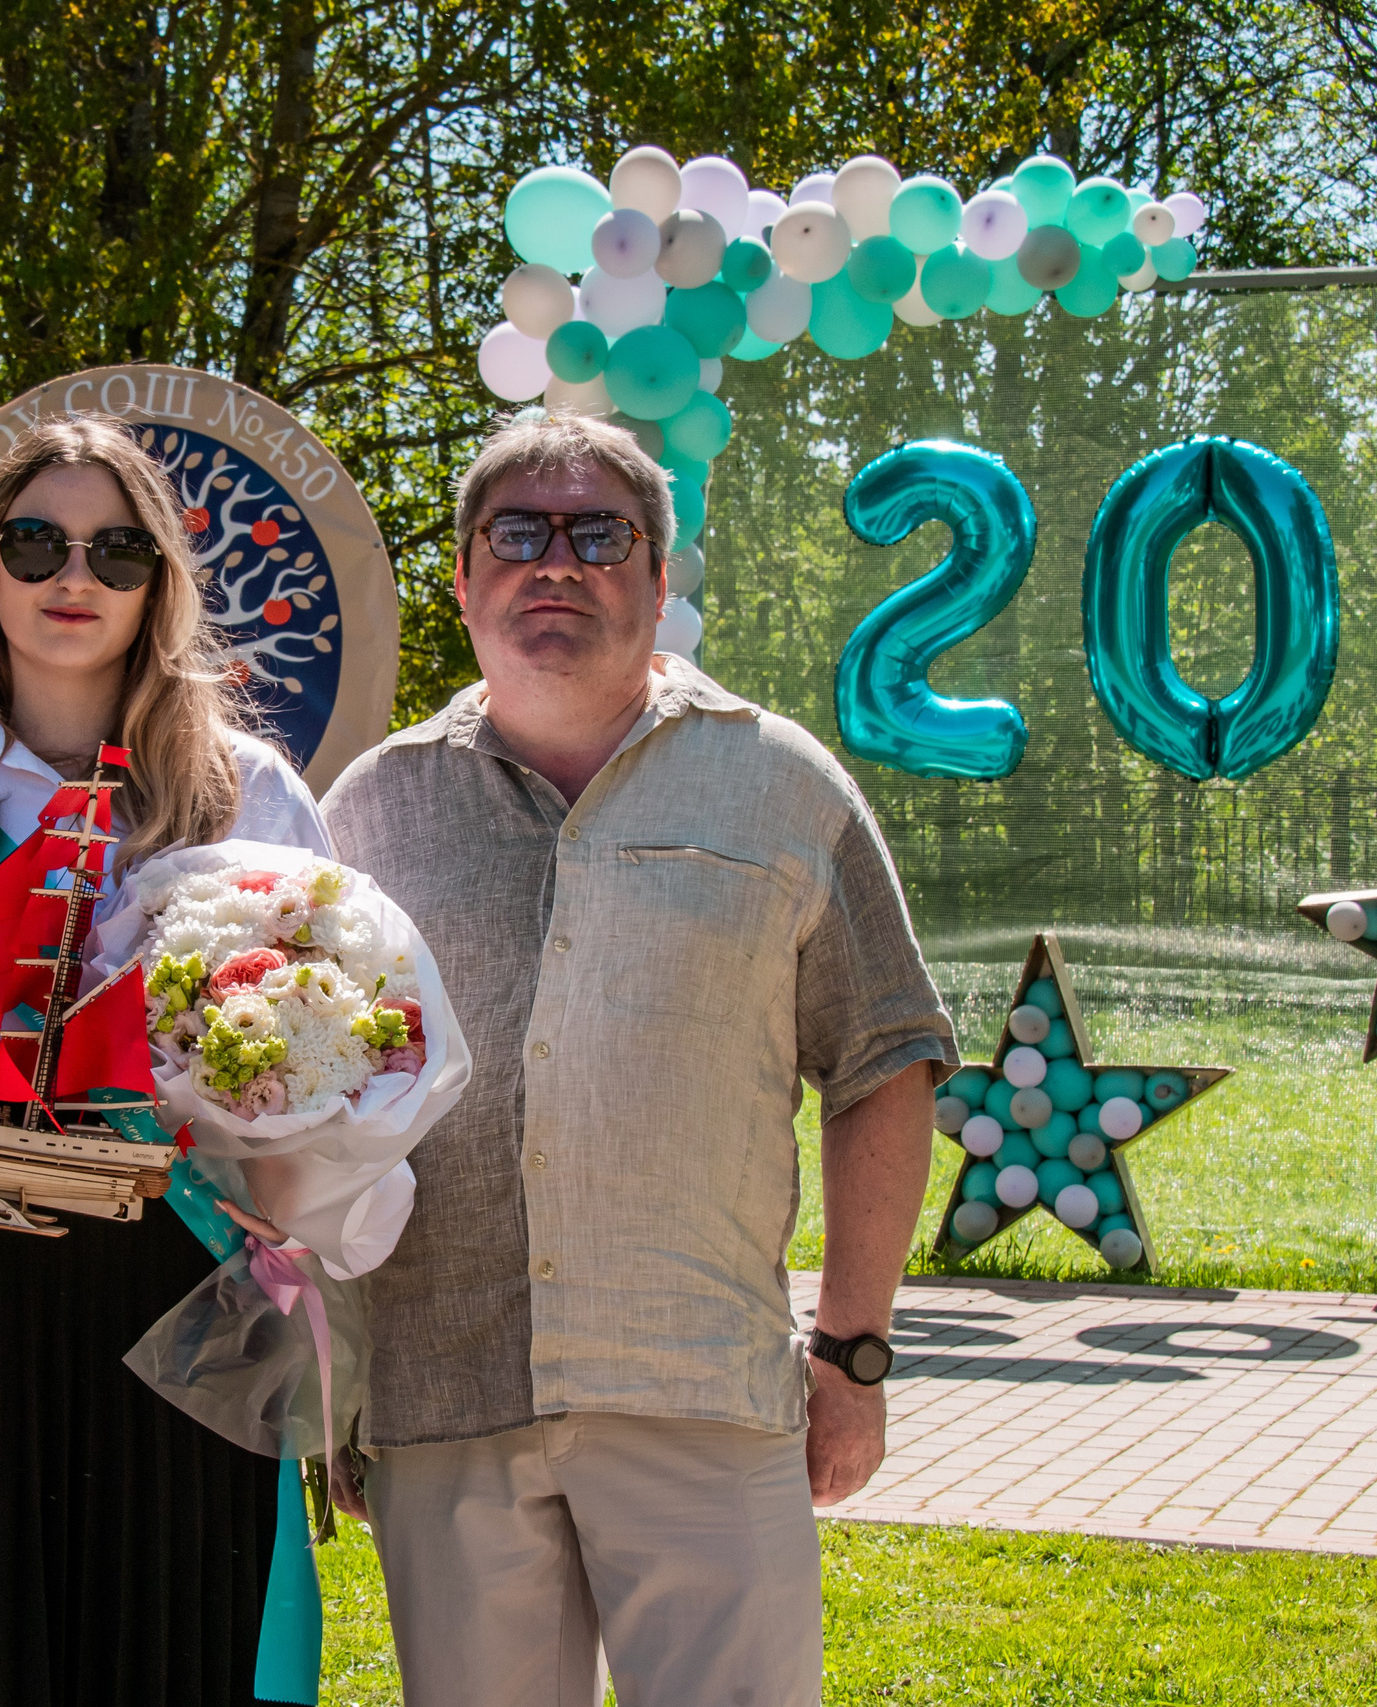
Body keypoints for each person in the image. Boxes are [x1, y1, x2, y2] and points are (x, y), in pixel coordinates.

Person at [319, 412, 956, 1707]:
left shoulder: (781, 784)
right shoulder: (369, 809)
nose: (555, 562)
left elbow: (885, 1064)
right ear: (462, 578)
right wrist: (332, 1379)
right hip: (445, 1394)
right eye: (517, 534)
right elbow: (316, 1115)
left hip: (696, 1391)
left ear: (660, 582)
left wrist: (854, 1354)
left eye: (598, 534)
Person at [0, 416, 347, 1707]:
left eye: (115, 548)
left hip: (171, 1318)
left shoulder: (251, 800)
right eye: (35, 542)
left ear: (161, 583)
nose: (71, 576)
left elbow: (328, 1067)